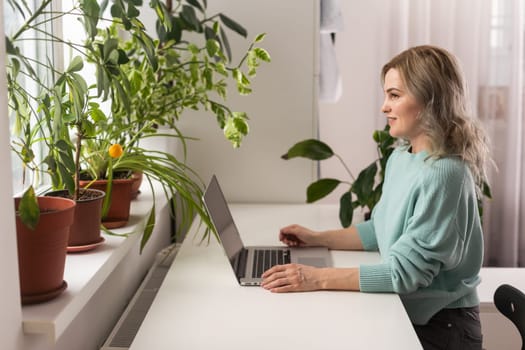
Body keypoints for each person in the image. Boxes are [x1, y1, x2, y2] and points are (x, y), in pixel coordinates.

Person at [261, 45, 491, 350]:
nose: (384, 107)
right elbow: (377, 228)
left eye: (394, 95)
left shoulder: (444, 174)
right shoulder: (401, 157)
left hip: (441, 325)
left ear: (428, 100)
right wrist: (317, 238)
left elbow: (404, 274)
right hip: (409, 313)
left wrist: (315, 278)